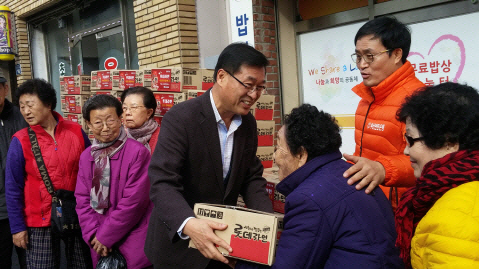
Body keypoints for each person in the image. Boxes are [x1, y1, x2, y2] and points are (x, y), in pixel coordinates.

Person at [145, 42, 273, 269]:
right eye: (249, 85)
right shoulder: (182, 118)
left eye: (260, 87)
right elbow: (162, 181)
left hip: (223, 246)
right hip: (179, 251)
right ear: (222, 76)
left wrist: (268, 226)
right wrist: (189, 224)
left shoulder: (248, 124)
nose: (254, 95)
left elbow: (251, 178)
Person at [236, 104, 403, 269]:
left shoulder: (308, 200)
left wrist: (240, 259)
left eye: (279, 146)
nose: (274, 156)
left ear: (301, 155)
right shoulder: (351, 173)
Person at [5, 78, 92, 268]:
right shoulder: (20, 141)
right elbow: (13, 189)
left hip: (75, 216)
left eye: (30, 105)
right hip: (38, 223)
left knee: (81, 264)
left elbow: (92, 171)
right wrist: (18, 228)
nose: (25, 111)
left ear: (48, 103)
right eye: (21, 106)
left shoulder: (76, 131)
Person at [343, 16, 425, 209]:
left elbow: (430, 161)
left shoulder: (418, 100)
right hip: (370, 202)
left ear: (396, 55)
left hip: (403, 211)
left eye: (370, 56)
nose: (362, 65)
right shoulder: (366, 97)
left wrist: (382, 169)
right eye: (358, 56)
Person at [395, 82, 479, 268]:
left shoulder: (453, 219)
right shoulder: (459, 186)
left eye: (411, 139)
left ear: (449, 142)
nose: (406, 151)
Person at [75, 94, 152, 268]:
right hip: (98, 241)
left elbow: (134, 203)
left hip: (133, 238)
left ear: (120, 119)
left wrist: (105, 236)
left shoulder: (138, 153)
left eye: (110, 120)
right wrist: (93, 235)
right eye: (97, 122)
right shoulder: (87, 156)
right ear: (88, 124)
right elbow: (82, 199)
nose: (105, 128)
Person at [0, 70, 28, 269]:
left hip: (25, 206)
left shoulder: (23, 117)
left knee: (32, 262)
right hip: (0, 213)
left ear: (5, 89)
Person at [120, 86, 160, 153]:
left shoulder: (162, 137)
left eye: (134, 107)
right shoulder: (119, 135)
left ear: (149, 113)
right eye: (124, 108)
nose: (127, 113)